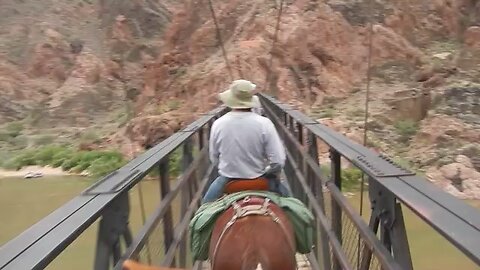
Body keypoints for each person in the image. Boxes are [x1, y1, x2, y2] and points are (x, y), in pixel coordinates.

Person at [202, 79, 289, 203]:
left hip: (228, 180)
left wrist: (228, 167)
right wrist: (270, 172)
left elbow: (214, 158)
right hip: (259, 179)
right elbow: (278, 161)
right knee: (293, 207)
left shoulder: (218, 124)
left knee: (203, 209)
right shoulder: (264, 123)